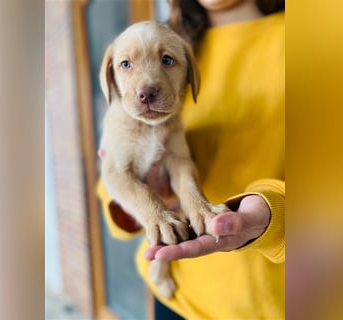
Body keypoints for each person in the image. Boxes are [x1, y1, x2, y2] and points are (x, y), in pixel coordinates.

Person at [97, 0, 285, 318]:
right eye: (126, 66)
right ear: (110, 79)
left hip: (262, 304)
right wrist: (145, 208)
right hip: (172, 295)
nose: (146, 86)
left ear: (190, 77)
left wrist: (276, 214)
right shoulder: (177, 37)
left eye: (168, 61)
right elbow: (111, 186)